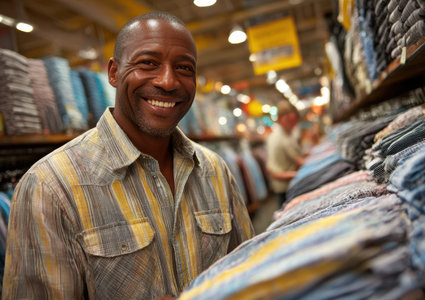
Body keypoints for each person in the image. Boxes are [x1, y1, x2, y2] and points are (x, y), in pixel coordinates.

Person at [2, 12, 255, 300]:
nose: (169, 81)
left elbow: (249, 275)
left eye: (185, 68)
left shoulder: (215, 171)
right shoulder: (50, 187)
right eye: (148, 63)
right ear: (113, 72)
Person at [266, 100, 305, 206]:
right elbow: (273, 172)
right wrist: (299, 174)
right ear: (282, 119)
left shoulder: (286, 134)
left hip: (289, 185)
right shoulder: (278, 138)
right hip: (285, 189)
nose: (294, 123)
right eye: (290, 120)